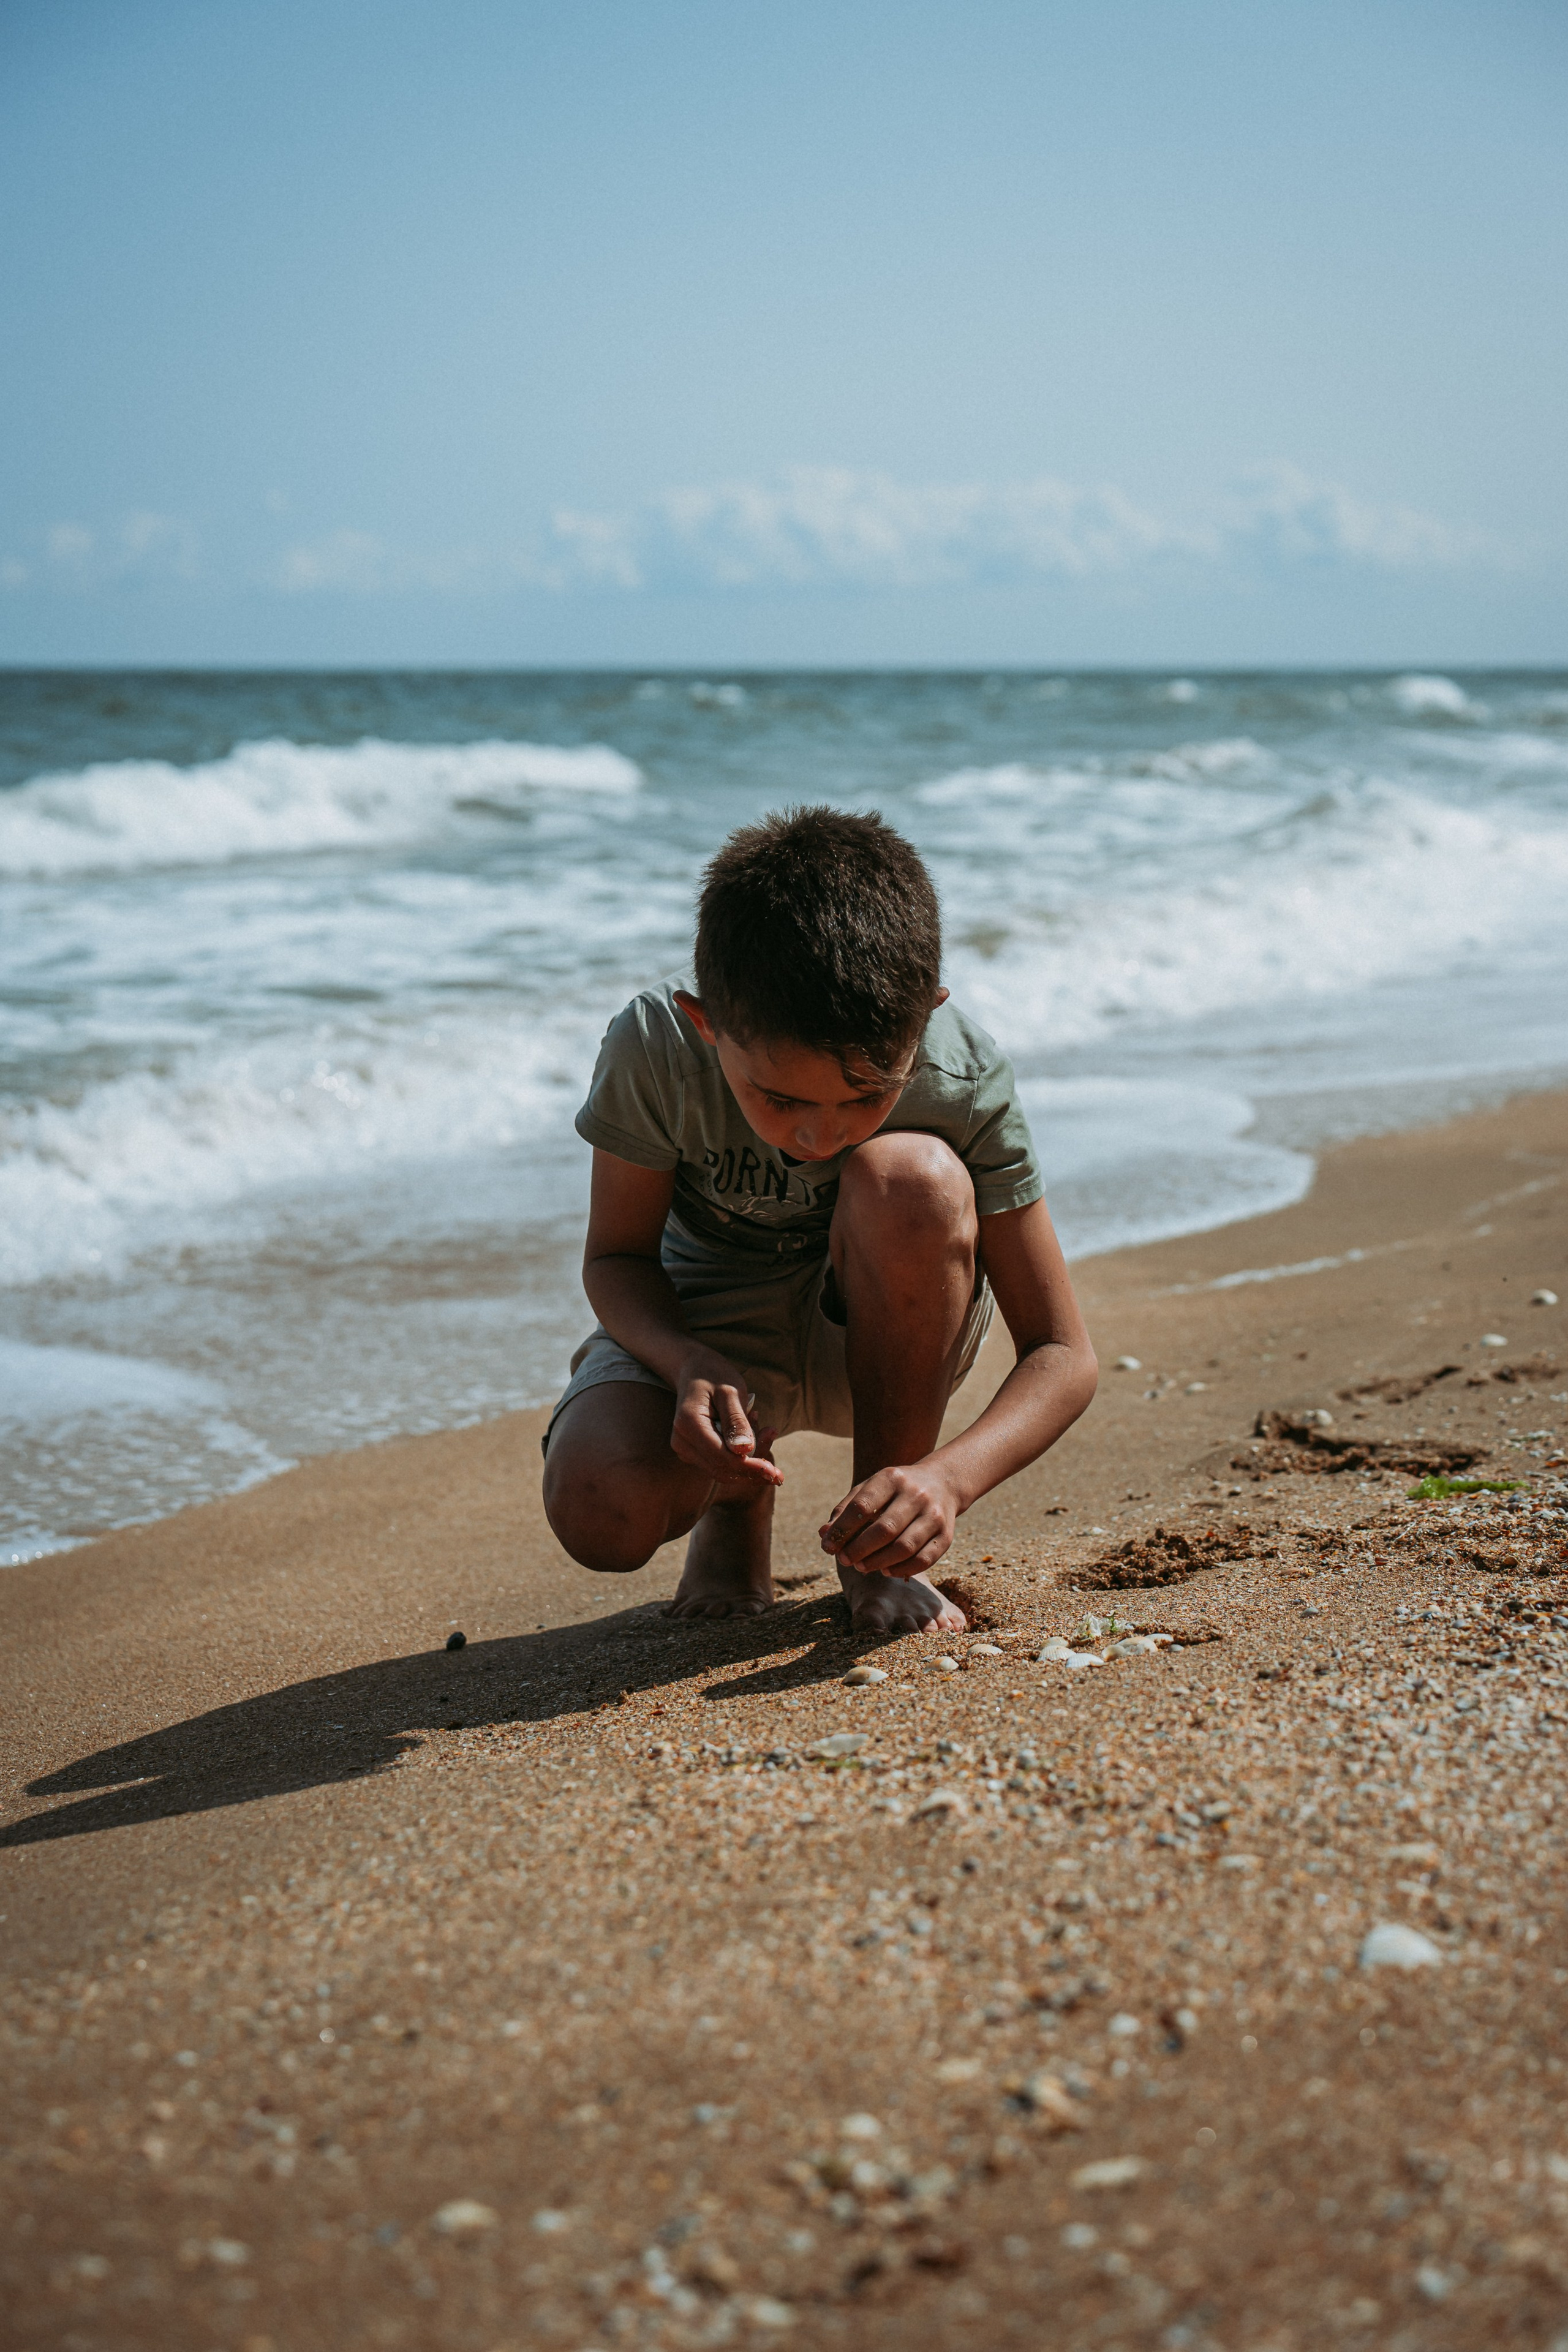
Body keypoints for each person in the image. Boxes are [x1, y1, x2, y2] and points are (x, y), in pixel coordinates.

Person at [541, 806, 1096, 1635]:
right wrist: (684, 1359)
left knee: (910, 1177)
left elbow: (1063, 1353)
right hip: (711, 1322)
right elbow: (616, 1258)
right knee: (599, 1508)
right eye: (781, 1098)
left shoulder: (962, 1076)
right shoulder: (655, 1048)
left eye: (868, 1095)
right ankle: (737, 1500)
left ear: (927, 1013)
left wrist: (945, 1480)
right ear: (707, 1024)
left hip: (887, 1328)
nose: (820, 1135)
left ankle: (874, 1546)